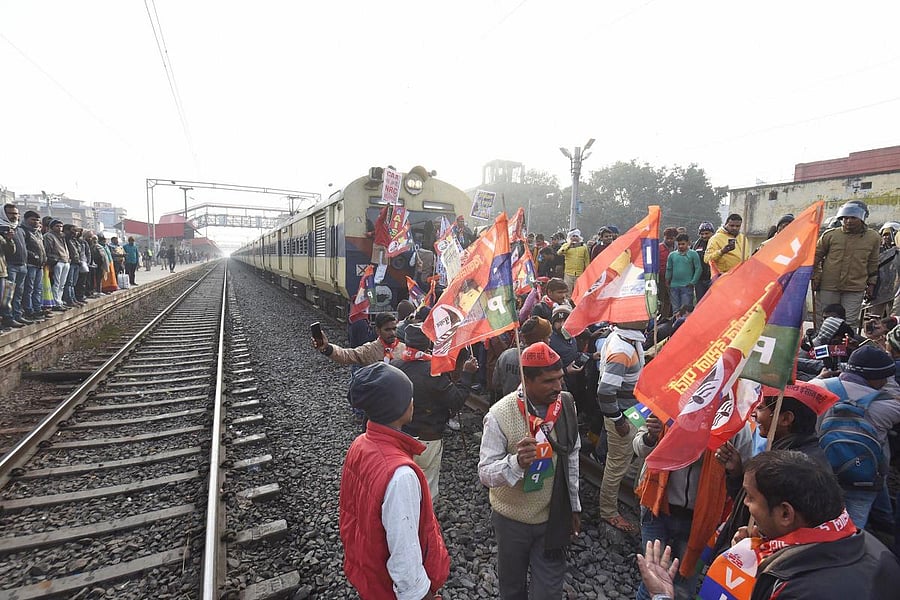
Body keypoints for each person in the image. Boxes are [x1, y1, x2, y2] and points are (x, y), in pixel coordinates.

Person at [639, 451, 900, 600]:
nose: (747, 507)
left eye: (750, 499)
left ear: (785, 513)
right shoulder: (876, 551)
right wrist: (771, 549)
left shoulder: (794, 590)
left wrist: (662, 596)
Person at [478, 342, 581, 600]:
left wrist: (574, 506)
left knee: (548, 590)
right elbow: (486, 472)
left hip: (552, 516)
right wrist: (516, 463)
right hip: (512, 520)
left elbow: (572, 456)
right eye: (548, 381)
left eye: (559, 379)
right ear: (527, 380)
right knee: (512, 589)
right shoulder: (499, 414)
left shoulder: (566, 404)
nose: (558, 387)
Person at [339, 362, 450, 599]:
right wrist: (422, 595)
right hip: (389, 590)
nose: (413, 401)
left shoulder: (360, 443)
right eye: (409, 396)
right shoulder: (401, 474)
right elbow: (404, 552)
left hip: (370, 573)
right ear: (398, 406)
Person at [634, 412, 754, 600]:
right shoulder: (670, 405)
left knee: (684, 584)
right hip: (656, 507)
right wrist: (650, 436)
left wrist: (735, 467)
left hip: (700, 521)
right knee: (652, 577)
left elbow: (745, 478)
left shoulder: (736, 423)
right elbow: (640, 448)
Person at [712, 384, 830, 556]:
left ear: (785, 419)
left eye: (760, 408)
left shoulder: (796, 468)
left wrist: (759, 543)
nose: (754, 415)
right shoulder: (781, 453)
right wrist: (737, 472)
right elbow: (755, 502)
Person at [809, 345, 900, 528]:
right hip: (864, 477)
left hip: (822, 471)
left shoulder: (818, 389)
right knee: (854, 526)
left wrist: (819, 378)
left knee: (827, 522)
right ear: (878, 378)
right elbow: (894, 393)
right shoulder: (889, 406)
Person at [391, 323, 476, 501]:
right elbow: (456, 401)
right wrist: (467, 375)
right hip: (428, 438)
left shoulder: (395, 366)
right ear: (428, 344)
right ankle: (424, 523)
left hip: (399, 436)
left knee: (403, 482)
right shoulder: (433, 372)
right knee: (427, 486)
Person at [596, 319, 647, 533]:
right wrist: (618, 420)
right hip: (624, 414)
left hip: (634, 409)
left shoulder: (627, 339)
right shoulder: (622, 351)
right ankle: (608, 511)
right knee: (616, 464)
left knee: (636, 451)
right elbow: (605, 392)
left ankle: (634, 487)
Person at [812, 201, 881, 330]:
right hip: (828, 286)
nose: (848, 221)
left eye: (853, 217)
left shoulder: (873, 237)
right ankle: (820, 347)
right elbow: (815, 257)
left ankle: (849, 348)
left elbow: (873, 262)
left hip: (855, 287)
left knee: (850, 322)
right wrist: (815, 275)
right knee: (825, 320)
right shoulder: (830, 235)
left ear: (862, 218)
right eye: (845, 218)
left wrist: (872, 284)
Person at [314, 311, 406, 365]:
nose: (392, 333)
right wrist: (327, 348)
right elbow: (346, 355)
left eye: (394, 329)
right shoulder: (370, 350)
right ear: (378, 331)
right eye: (387, 330)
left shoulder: (404, 349)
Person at [493, 316, 552, 398]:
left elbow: (496, 384)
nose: (550, 341)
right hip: (534, 407)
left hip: (508, 404)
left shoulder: (505, 355)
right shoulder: (545, 361)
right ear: (541, 340)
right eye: (548, 337)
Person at [4, 204, 31, 326]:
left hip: (22, 265)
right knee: (8, 293)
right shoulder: (3, 228)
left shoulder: (19, 229)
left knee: (20, 291)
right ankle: (8, 317)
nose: (14, 216)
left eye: (16, 213)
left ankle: (17, 314)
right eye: (11, 213)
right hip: (10, 265)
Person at [665, 233, 701, 315]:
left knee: (686, 310)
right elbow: (669, 269)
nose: (681, 246)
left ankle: (686, 326)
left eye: (683, 244)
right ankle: (676, 326)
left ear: (688, 243)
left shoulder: (693, 254)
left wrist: (693, 282)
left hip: (687, 286)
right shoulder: (672, 255)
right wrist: (667, 280)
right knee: (675, 309)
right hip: (674, 286)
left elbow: (698, 268)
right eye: (679, 244)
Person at [43, 219, 69, 311]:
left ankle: (59, 301)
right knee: (56, 283)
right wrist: (55, 260)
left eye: (61, 226)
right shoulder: (48, 236)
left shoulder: (62, 236)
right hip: (57, 262)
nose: (59, 228)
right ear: (52, 227)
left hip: (65, 261)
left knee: (62, 283)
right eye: (57, 226)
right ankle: (54, 302)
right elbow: (48, 249)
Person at [657, 227, 678, 320]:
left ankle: (667, 319)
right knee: (661, 299)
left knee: (670, 300)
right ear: (664, 237)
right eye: (667, 238)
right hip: (661, 278)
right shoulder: (658, 248)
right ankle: (659, 318)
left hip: (675, 278)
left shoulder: (678, 248)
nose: (669, 240)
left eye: (671, 238)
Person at [692, 222, 714, 301]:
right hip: (700, 279)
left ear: (712, 233)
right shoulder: (696, 245)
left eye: (707, 233)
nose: (704, 236)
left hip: (712, 278)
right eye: (702, 234)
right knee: (700, 301)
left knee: (711, 301)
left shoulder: (716, 243)